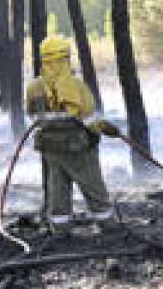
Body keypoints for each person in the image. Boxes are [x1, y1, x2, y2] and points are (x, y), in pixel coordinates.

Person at [25, 36, 119, 233]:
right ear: (64, 59)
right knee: (93, 185)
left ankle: (60, 229)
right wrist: (106, 128)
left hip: (50, 147)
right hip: (77, 146)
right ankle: (108, 226)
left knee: (57, 189)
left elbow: (32, 115)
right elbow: (87, 117)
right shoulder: (74, 86)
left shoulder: (34, 87)